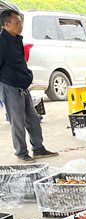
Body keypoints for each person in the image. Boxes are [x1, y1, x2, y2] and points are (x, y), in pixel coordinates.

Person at [0, 9, 58, 162]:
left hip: (22, 84)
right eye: (17, 23)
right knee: (17, 120)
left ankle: (38, 148)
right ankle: (21, 152)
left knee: (33, 118)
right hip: (10, 85)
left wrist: (27, 76)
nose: (21, 25)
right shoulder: (2, 42)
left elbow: (20, 62)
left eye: (21, 22)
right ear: (6, 24)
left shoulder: (16, 39)